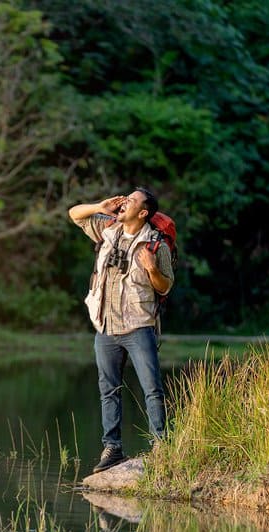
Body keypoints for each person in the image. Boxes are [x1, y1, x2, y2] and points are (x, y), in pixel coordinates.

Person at [68, 188, 174, 473]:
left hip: (138, 327)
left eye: (132, 200)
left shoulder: (155, 244)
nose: (125, 200)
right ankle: (112, 448)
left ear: (143, 213)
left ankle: (161, 449)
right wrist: (98, 206)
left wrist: (152, 270)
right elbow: (73, 215)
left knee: (152, 389)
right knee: (108, 390)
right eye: (126, 197)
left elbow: (166, 286)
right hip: (106, 327)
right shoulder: (107, 229)